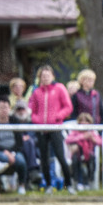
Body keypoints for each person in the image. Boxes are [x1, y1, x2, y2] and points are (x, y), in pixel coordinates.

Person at [28, 65, 76, 194]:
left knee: (61, 156)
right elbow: (31, 109)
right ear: (40, 78)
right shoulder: (36, 92)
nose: (45, 78)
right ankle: (48, 185)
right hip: (42, 129)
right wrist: (37, 120)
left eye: (47, 75)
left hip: (55, 128)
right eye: (43, 76)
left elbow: (68, 107)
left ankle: (68, 185)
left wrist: (57, 117)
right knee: (44, 158)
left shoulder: (59, 88)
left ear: (52, 76)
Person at [0, 96, 28, 194]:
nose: (4, 110)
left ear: (9, 108)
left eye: (6, 107)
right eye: (1, 107)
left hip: (14, 151)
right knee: (0, 159)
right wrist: (5, 152)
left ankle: (22, 186)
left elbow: (19, 142)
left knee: (21, 161)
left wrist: (11, 153)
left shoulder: (15, 121)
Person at [65, 112, 102, 190]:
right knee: (75, 161)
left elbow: (100, 142)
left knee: (92, 161)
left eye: (86, 121)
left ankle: (90, 182)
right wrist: (82, 137)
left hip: (88, 154)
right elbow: (68, 140)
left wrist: (92, 138)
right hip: (77, 154)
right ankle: (76, 182)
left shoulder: (92, 132)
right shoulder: (75, 132)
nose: (84, 123)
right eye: (82, 120)